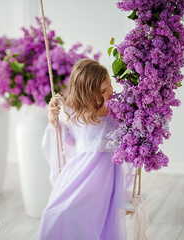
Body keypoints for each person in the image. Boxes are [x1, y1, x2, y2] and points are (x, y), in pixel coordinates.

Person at [38, 58, 133, 240]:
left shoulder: (118, 111)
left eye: (110, 86)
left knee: (74, 214)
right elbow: (67, 139)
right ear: (88, 95)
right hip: (77, 174)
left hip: (103, 179)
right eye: (104, 91)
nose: (111, 92)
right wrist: (54, 122)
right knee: (53, 212)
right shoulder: (74, 112)